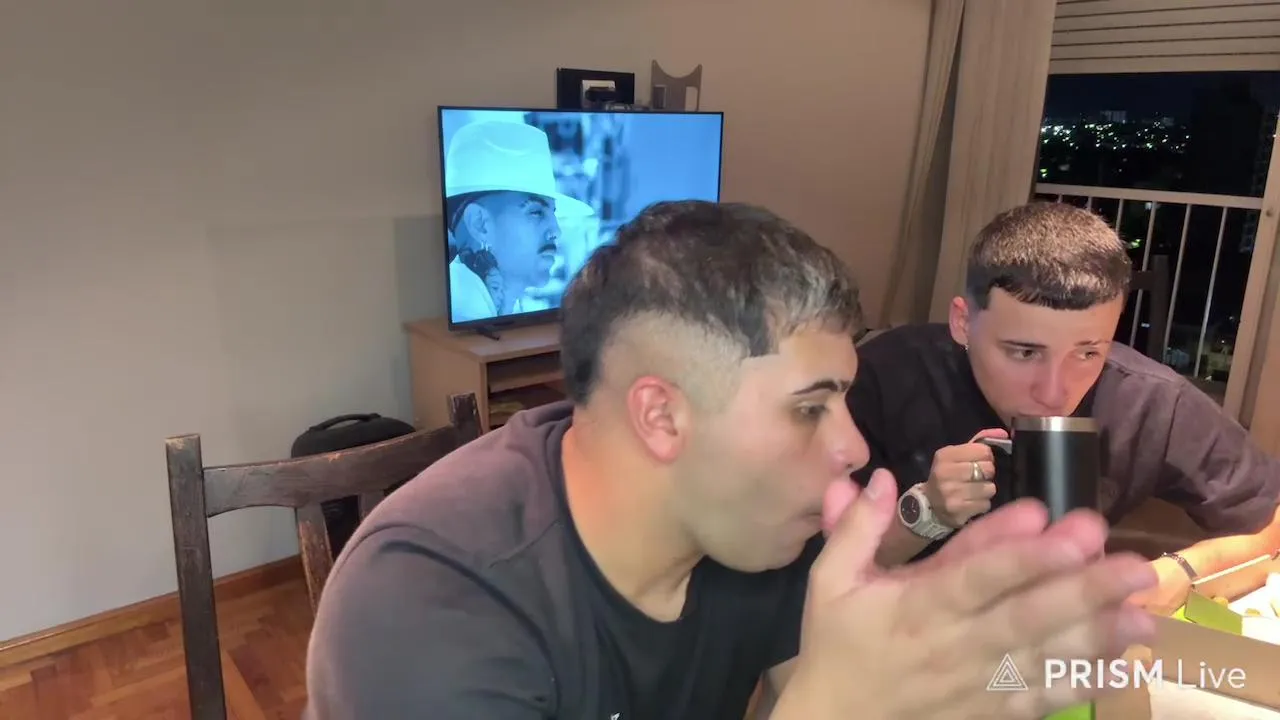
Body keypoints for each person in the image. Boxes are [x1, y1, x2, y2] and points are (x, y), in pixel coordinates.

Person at [305, 200, 1156, 719]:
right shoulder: (430, 605)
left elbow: (815, 673)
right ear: (662, 416)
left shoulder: (753, 529)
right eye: (810, 407)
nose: (853, 447)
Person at [848, 200, 1280, 615]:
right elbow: (820, 568)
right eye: (1024, 352)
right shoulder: (885, 376)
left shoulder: (1146, 400)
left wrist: (1179, 572)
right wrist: (925, 512)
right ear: (963, 322)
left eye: (1088, 353)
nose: (1055, 394)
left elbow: (1270, 519)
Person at [443, 120, 595, 322]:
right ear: (480, 224)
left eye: (553, 213)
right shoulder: (464, 310)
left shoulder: (497, 305)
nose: (556, 231)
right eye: (536, 212)